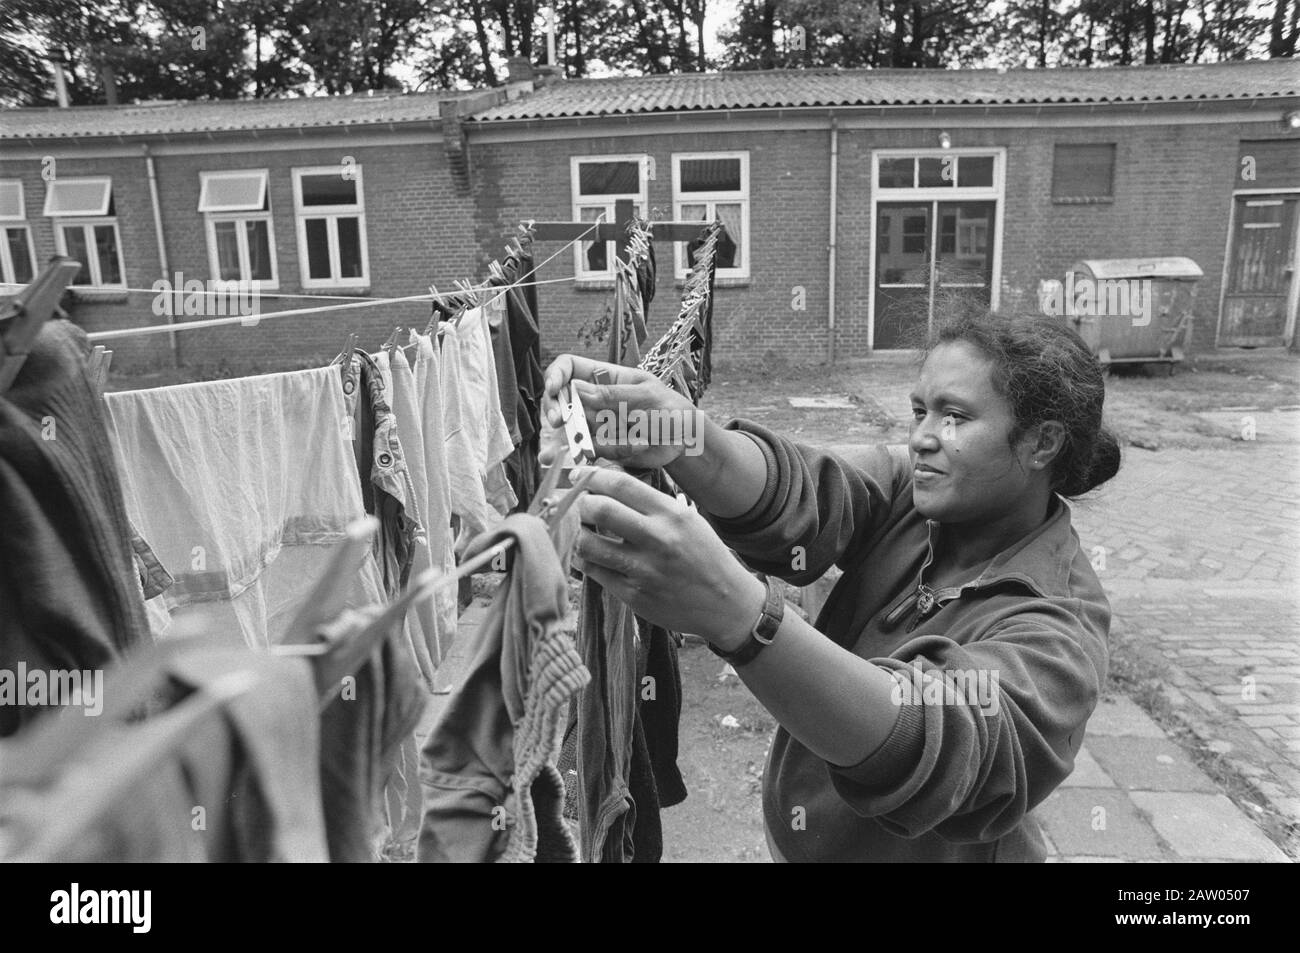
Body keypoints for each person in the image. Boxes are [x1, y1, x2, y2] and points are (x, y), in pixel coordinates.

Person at [541, 311, 1119, 862]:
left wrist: (740, 617)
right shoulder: (917, 496)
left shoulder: (1058, 627)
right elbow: (802, 494)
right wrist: (675, 433)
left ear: (1042, 443)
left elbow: (937, 743)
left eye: (955, 417)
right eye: (919, 410)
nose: (921, 436)